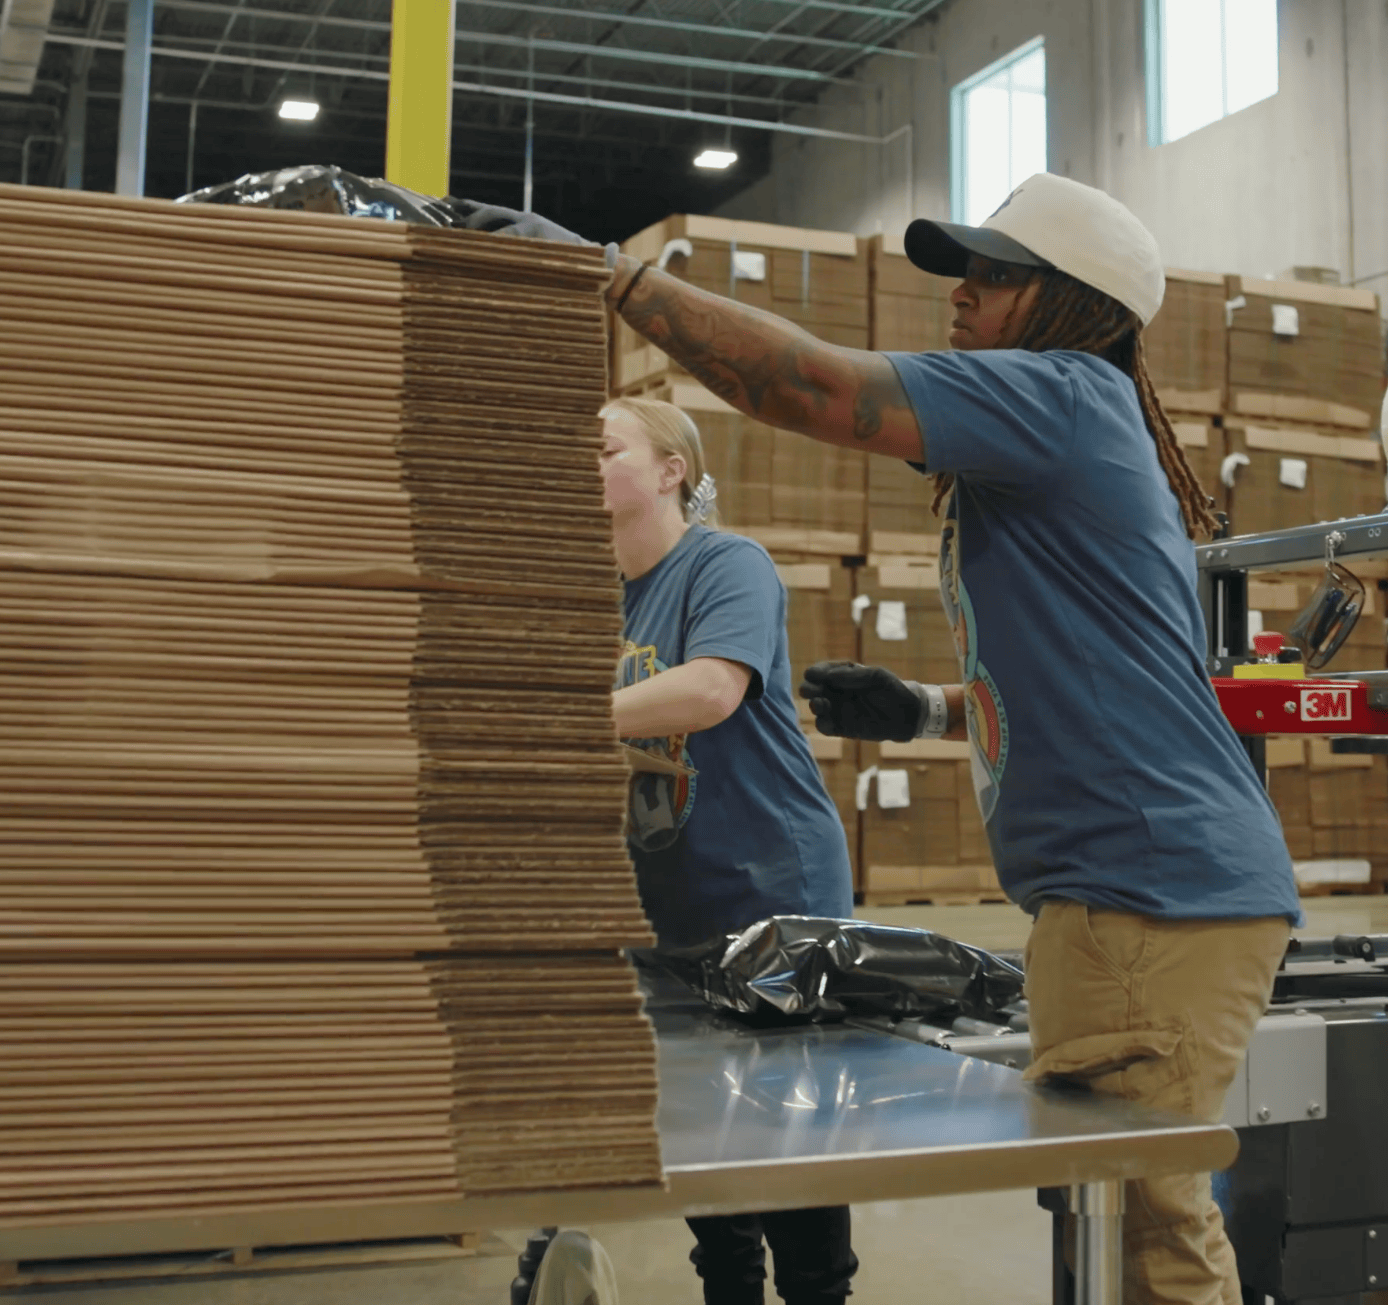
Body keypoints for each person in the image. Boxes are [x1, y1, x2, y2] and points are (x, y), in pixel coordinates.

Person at [465, 174, 1300, 1305]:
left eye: (995, 276)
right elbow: (1098, 680)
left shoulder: (1059, 390)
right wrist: (922, 710)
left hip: (1146, 892)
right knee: (1108, 1212)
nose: (960, 295)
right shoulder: (1053, 446)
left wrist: (614, 276)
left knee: (1145, 1223)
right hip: (1123, 890)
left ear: (1072, 305)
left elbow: (811, 387)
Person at [599, 395, 860, 1305]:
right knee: (706, 1126)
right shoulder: (597, 592)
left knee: (792, 1130)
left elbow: (711, 690)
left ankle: (820, 1294)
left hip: (769, 884)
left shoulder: (726, 563)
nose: (581, 467)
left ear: (671, 471)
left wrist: (548, 710)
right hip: (667, 897)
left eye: (604, 450)